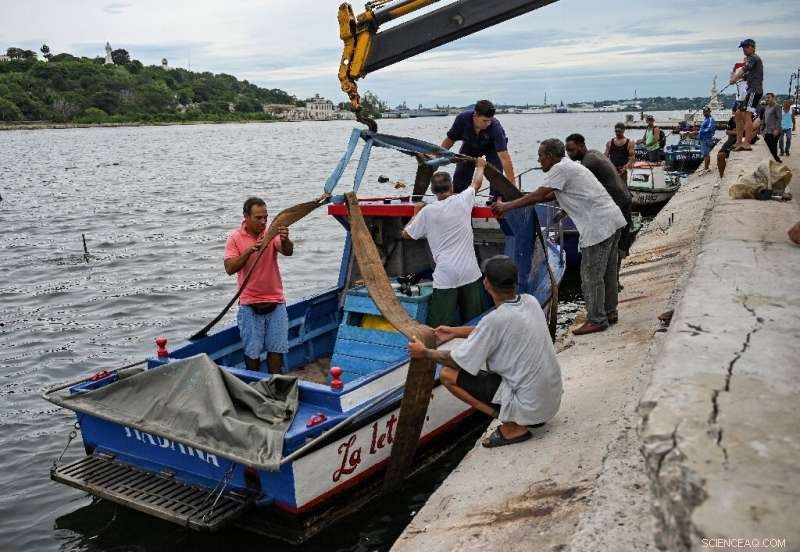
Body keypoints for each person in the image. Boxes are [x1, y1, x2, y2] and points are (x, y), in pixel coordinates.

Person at [407, 255, 563, 448]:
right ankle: (518, 416)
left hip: (530, 408)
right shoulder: (530, 302)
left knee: (447, 374)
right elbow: (496, 330)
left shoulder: (494, 320)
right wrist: (455, 332)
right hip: (550, 403)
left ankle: (510, 424)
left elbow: (456, 360)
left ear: (486, 283)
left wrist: (424, 352)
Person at [492, 139, 627, 334]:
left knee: (591, 276)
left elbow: (539, 195)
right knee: (607, 272)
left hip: (598, 226)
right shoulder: (569, 166)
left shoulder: (559, 169)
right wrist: (564, 209)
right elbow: (559, 194)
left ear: (550, 156)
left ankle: (597, 319)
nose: (539, 160)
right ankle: (610, 312)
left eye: (540, 156)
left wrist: (507, 206)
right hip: (612, 219)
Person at [403, 159, 487, 327]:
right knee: (475, 324)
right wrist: (480, 165)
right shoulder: (463, 200)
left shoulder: (427, 211)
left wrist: (415, 213)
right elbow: (476, 183)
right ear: (452, 187)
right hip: (470, 272)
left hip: (446, 274)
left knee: (440, 326)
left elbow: (406, 234)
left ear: (432, 190)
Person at [224, 197, 293, 374]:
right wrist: (249, 251)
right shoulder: (235, 238)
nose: (263, 222)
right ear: (246, 217)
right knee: (252, 353)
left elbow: (287, 251)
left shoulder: (271, 233)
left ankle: (275, 384)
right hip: (249, 304)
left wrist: (285, 239)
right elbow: (230, 268)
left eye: (265, 217)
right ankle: (254, 384)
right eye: (258, 218)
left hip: (276, 302)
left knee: (276, 350)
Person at [566, 133, 633, 288]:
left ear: (581, 146)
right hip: (624, 200)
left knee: (613, 243)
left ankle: (612, 282)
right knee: (619, 243)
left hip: (617, 204)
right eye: (567, 151)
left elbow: (576, 187)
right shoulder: (594, 154)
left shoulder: (588, 163)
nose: (569, 154)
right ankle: (614, 281)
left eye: (572, 150)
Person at [440, 100, 516, 196]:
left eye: (490, 120)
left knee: (496, 172)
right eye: (484, 120)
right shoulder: (462, 119)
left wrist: (513, 187)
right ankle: (459, 197)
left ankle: (495, 198)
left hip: (492, 148)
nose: (488, 123)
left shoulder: (495, 127)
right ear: (475, 115)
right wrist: (437, 157)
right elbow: (449, 140)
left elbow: (505, 158)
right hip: (470, 145)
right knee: (461, 172)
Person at [730, 39, 763, 151]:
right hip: (750, 91)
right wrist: (741, 77)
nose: (744, 49)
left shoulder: (753, 58)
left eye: (746, 47)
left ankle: (746, 143)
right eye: (743, 47)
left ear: (753, 47)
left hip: (754, 91)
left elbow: (744, 69)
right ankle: (739, 141)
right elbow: (748, 73)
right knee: (738, 114)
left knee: (747, 115)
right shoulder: (751, 59)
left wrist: (734, 78)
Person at [762, 93, 782, 163]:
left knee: (773, 147)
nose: (767, 99)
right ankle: (776, 160)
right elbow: (764, 118)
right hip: (767, 130)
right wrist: (762, 128)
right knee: (769, 146)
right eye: (766, 98)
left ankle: (776, 161)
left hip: (774, 130)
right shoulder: (767, 107)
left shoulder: (777, 106)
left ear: (773, 98)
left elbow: (779, 118)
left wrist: (777, 129)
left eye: (769, 97)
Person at [698, 107, 717, 173]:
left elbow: (709, 129)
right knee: (705, 154)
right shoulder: (705, 119)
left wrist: (699, 132)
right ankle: (706, 167)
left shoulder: (710, 119)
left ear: (709, 112)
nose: (705, 113)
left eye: (706, 111)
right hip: (703, 138)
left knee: (706, 154)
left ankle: (706, 169)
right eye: (704, 112)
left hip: (706, 139)